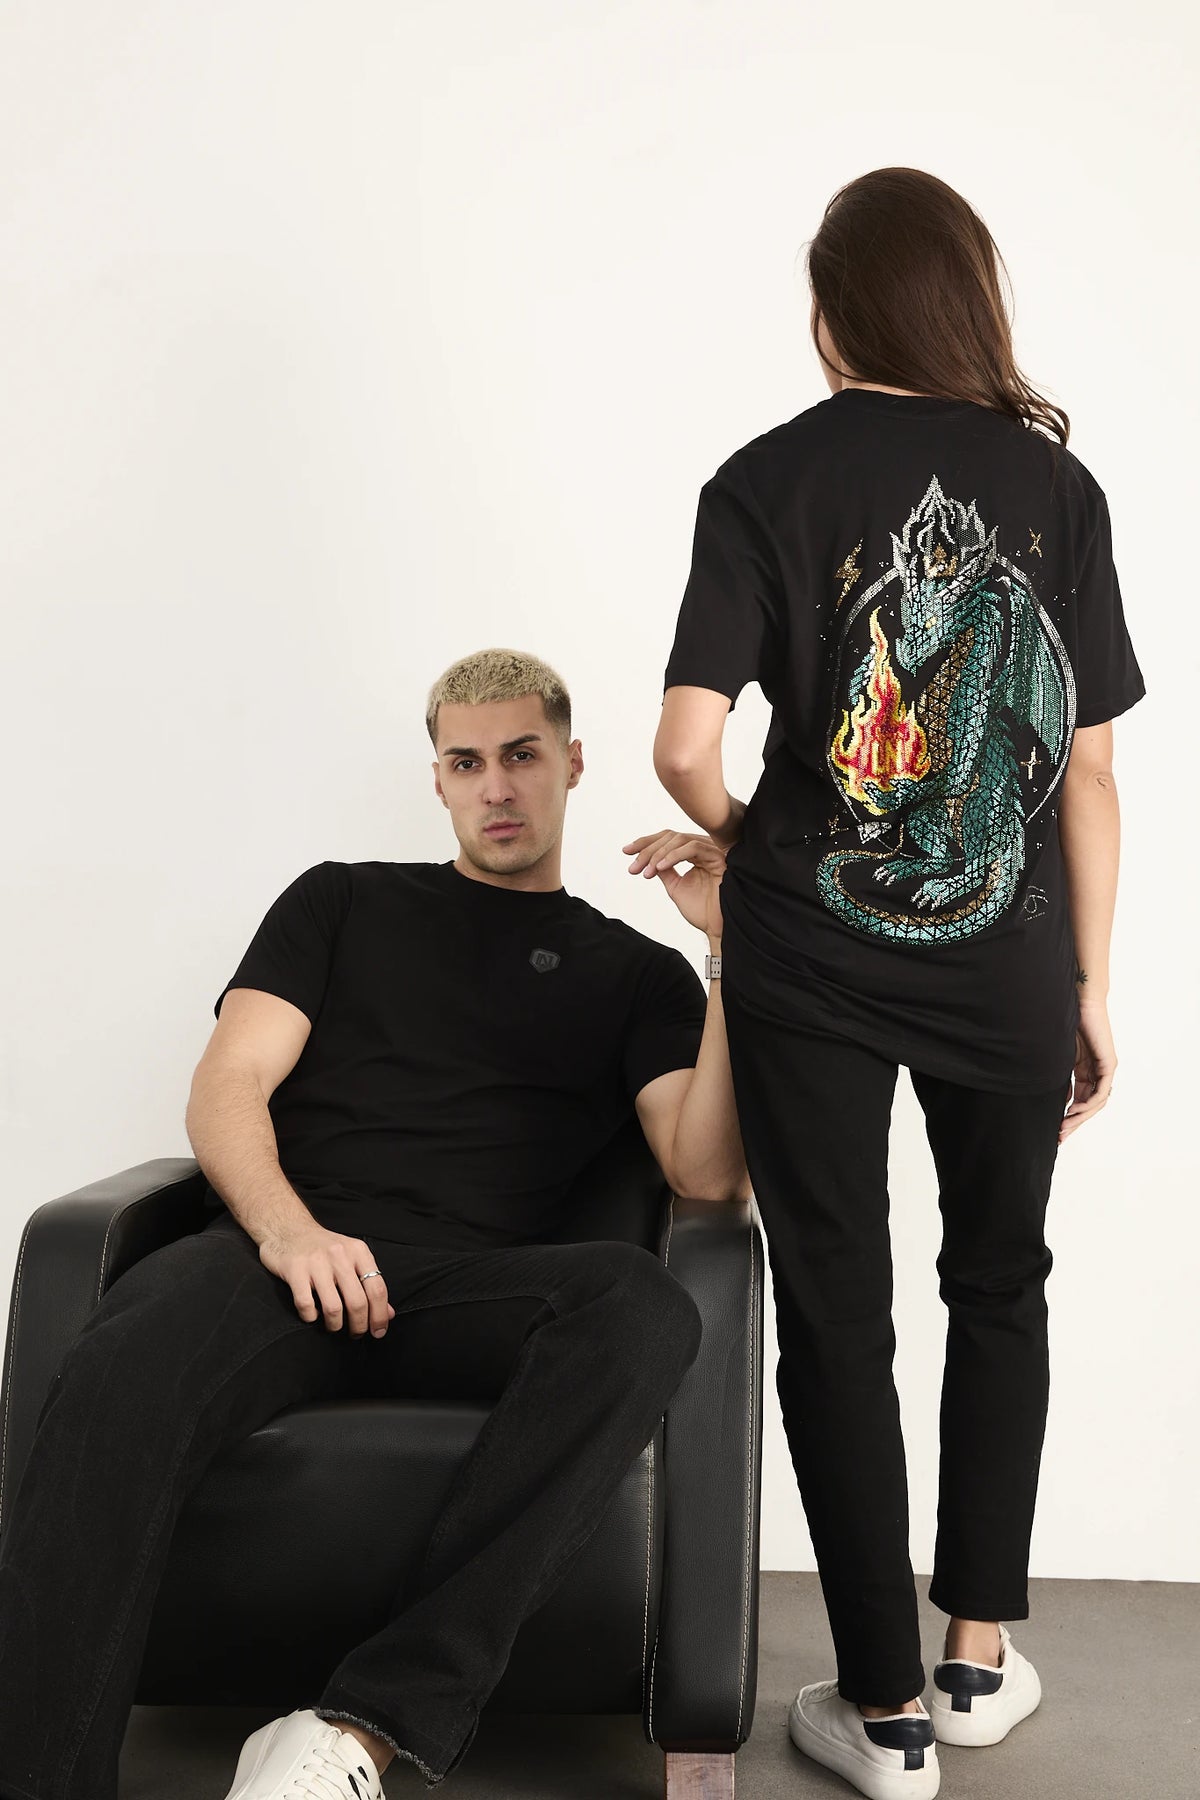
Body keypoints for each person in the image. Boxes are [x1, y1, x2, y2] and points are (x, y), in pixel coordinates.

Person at [0, 647, 751, 1800]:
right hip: (285, 1261)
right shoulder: (340, 902)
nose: (496, 786)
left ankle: (360, 1727)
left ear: (571, 763)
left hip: (472, 1289)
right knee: (122, 1361)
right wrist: (288, 1232)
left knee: (642, 1307)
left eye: (521, 756)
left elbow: (708, 1178)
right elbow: (228, 1084)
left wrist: (732, 950)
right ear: (438, 777)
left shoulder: (638, 975)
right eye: (467, 762)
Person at [655, 166, 1146, 1800]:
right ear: (964, 302)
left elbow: (682, 745)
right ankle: (975, 1660)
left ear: (830, 313)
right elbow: (1088, 771)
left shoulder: (761, 480)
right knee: (1000, 1282)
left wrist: (764, 846)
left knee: (837, 1311)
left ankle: (885, 1719)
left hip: (811, 956)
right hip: (1008, 958)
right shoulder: (1056, 487)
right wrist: (1087, 984)